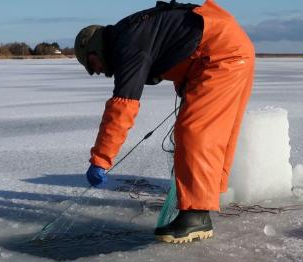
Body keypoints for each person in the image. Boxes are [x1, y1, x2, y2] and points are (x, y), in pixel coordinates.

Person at [74, 0, 254, 244]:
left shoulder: (126, 45)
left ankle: (197, 215)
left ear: (94, 48)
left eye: (92, 65)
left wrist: (101, 159)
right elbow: (176, 45)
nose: (98, 71)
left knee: (194, 131)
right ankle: (207, 197)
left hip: (221, 54)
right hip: (226, 48)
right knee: (218, 132)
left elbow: (122, 107)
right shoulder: (129, 34)